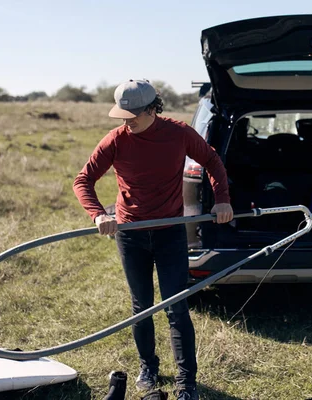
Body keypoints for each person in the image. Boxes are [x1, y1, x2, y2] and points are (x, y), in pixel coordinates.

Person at [73, 79, 233, 400]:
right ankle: (149, 367)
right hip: (130, 234)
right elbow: (83, 180)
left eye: (132, 115)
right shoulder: (115, 141)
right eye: (122, 116)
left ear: (152, 109)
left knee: (176, 307)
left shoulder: (178, 134)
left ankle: (186, 383)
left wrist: (222, 199)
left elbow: (212, 161)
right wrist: (99, 215)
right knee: (141, 308)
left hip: (170, 232)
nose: (126, 121)